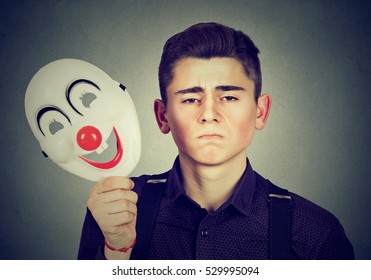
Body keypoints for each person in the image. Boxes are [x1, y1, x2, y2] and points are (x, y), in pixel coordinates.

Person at [78, 22, 354, 260]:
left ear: (260, 111)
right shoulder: (116, 209)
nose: (209, 114)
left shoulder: (316, 231)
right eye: (190, 99)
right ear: (163, 116)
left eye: (230, 97)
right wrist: (116, 250)